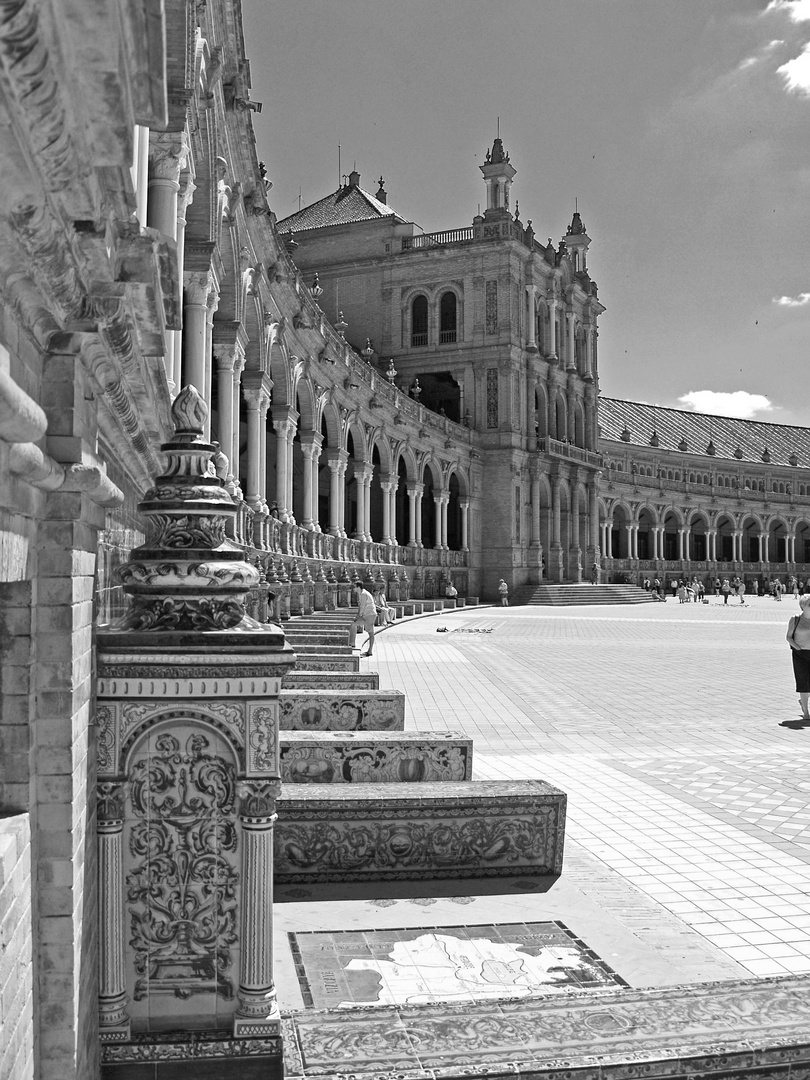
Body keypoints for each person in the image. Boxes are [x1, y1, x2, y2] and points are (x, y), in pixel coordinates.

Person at [787, 595, 810, 720]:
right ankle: (806, 711)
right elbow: (789, 637)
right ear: (803, 606)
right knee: (803, 682)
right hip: (800, 654)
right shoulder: (795, 619)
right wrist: (798, 648)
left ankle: (803, 702)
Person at [353, 582, 377, 657]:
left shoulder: (363, 594)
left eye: (354, 587)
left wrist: (359, 616)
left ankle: (352, 643)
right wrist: (358, 615)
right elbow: (360, 606)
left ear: (358, 587)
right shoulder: (361, 594)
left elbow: (363, 606)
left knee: (370, 633)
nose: (353, 588)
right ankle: (369, 650)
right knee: (354, 625)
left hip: (369, 614)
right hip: (368, 614)